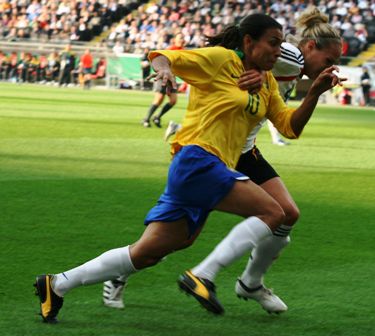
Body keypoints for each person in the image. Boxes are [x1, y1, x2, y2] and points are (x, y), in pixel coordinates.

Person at [34, 13, 342, 323]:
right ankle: (204, 276)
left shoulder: (268, 82)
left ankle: (57, 284)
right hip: (197, 159)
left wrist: (314, 93)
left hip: (211, 167)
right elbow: (163, 56)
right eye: (274, 44)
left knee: (148, 252)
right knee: (273, 213)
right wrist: (165, 71)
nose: (281, 51)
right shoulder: (222, 59)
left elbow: (289, 128)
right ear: (249, 42)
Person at [142, 32, 185, 128]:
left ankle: (157, 117)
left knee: (173, 100)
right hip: (163, 76)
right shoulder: (171, 49)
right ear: (175, 40)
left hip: (172, 78)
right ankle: (146, 119)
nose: (182, 40)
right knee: (159, 99)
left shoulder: (183, 51)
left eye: (183, 38)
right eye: (180, 38)